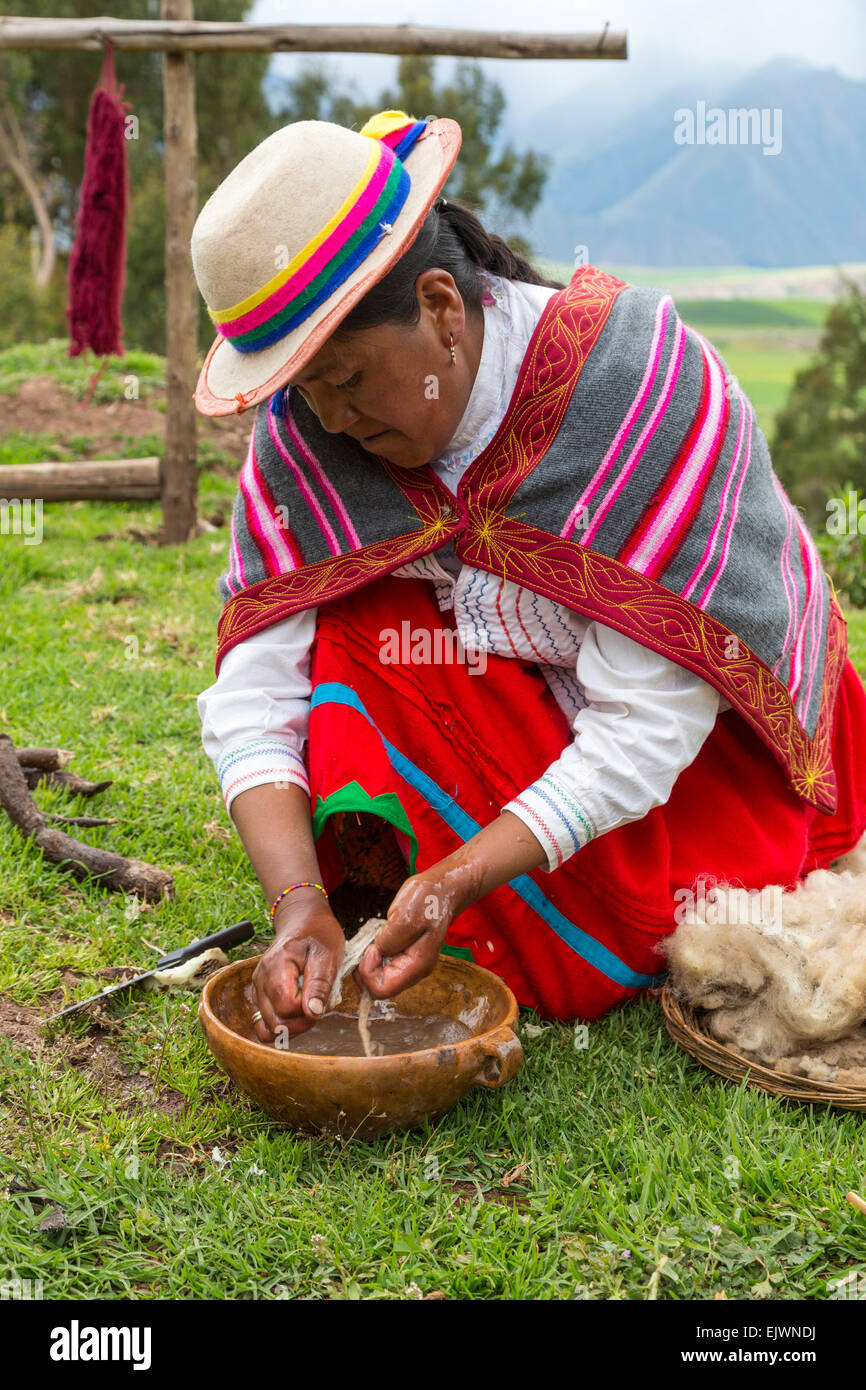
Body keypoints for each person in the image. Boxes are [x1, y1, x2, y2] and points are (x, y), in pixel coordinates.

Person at [192, 110, 866, 1044]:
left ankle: (543, 910)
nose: (334, 421)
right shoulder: (309, 437)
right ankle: (428, 891)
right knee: (352, 619)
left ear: (439, 305)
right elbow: (255, 686)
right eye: (307, 393)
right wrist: (296, 901)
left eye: (347, 380)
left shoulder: (642, 389)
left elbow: (651, 721)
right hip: (522, 707)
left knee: (604, 932)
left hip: (705, 768)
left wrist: (462, 874)